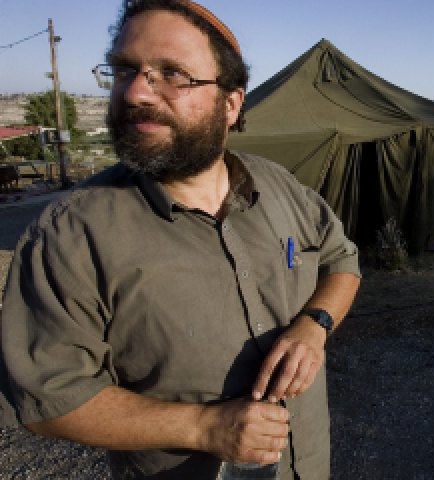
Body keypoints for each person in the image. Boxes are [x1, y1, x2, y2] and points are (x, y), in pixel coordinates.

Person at [0, 1, 361, 478]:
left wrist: (313, 326)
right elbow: (44, 399)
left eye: (173, 73)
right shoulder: (72, 232)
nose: (136, 93)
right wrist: (203, 427)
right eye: (125, 69)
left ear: (231, 105)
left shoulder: (279, 186)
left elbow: (341, 261)